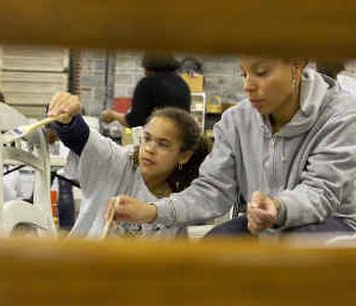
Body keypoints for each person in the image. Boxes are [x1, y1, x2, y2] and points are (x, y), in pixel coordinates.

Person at [107, 56, 356, 237]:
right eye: (243, 74)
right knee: (214, 247)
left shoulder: (341, 115)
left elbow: (320, 193)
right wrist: (151, 211)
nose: (248, 85)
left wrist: (277, 207)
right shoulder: (236, 120)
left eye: (261, 72)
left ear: (297, 65)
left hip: (332, 224)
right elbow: (211, 190)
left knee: (294, 255)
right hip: (263, 225)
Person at [47, 92, 210, 238]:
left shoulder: (180, 205)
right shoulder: (118, 161)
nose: (149, 149)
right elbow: (78, 136)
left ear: (184, 156)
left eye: (163, 144)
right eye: (147, 138)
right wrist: (67, 116)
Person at [101, 52, 191, 127]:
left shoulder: (148, 83)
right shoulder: (182, 83)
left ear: (148, 66)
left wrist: (112, 115)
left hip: (162, 138)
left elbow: (134, 121)